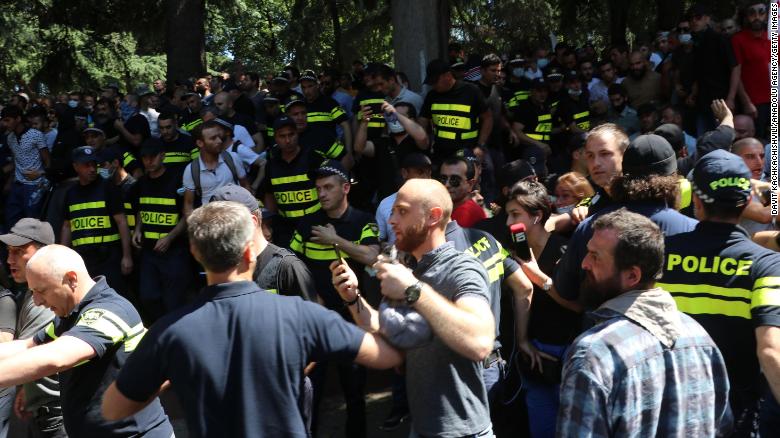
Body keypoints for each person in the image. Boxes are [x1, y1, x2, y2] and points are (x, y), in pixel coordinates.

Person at [102, 201, 402, 437]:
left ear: (195, 252)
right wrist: (353, 299)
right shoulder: (301, 315)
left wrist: (171, 370)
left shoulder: (170, 332)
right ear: (249, 252)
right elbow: (387, 355)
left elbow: (113, 408)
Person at [330, 178, 495, 437]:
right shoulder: (411, 271)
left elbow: (480, 342)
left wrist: (413, 291)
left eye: (402, 211)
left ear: (433, 216)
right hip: (422, 428)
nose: (392, 220)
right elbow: (385, 329)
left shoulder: (462, 268)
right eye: (393, 211)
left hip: (464, 432)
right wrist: (353, 298)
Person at [557, 208, 732, 436]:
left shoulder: (593, 352)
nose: (584, 264)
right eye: (588, 252)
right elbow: (723, 427)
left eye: (595, 256)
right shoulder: (700, 337)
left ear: (632, 276)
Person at [657, 149, 780, 436]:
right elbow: (771, 351)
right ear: (747, 200)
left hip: (669, 406)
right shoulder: (766, 264)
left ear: (697, 202)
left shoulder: (659, 254)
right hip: (737, 414)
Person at [0, 244, 173, 436]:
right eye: (32, 292)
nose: (38, 301)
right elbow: (28, 346)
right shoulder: (68, 316)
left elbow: (57, 356)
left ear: (71, 279)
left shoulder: (110, 311)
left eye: (42, 290)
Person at [288, 159, 379, 437]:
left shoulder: (363, 220)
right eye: (318, 188)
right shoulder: (307, 223)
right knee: (309, 391)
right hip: (314, 320)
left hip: (352, 320)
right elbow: (289, 265)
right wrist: (312, 296)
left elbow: (372, 257)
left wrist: (335, 240)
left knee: (354, 392)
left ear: (346, 188)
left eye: (328, 187)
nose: (321, 194)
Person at [555, 133, 698, 303]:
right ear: (674, 177)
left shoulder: (591, 226)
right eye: (590, 155)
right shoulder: (694, 231)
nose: (596, 162)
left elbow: (566, 290)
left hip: (604, 326)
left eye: (605, 153)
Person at [505, 181, 581, 438]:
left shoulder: (564, 249)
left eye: (515, 215)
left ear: (537, 216)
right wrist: (523, 341)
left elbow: (579, 305)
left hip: (565, 352)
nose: (508, 222)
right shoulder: (515, 249)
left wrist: (540, 279)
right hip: (533, 353)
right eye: (508, 213)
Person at [261, 115, 345, 245]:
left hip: (315, 224)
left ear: (297, 134)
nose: (288, 140)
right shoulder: (271, 165)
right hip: (285, 228)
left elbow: (330, 188)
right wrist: (270, 224)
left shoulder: (314, 158)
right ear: (275, 138)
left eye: (291, 134)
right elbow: (269, 195)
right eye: (282, 136)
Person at [132, 140, 191, 321]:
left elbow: (187, 215)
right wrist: (138, 230)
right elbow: (142, 208)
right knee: (147, 297)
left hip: (174, 251)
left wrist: (169, 238)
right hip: (149, 251)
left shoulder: (176, 181)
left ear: (163, 156)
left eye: (153, 157)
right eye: (145, 158)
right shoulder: (141, 183)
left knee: (174, 301)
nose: (149, 161)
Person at [61, 146, 133, 293]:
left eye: (94, 164)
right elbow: (67, 227)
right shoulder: (70, 193)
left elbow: (121, 221)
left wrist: (127, 256)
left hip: (108, 258)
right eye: (86, 165)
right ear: (75, 166)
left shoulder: (108, 188)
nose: (92, 169)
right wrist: (63, 258)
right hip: (83, 259)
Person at [418, 59, 492, 163]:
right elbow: (423, 120)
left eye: (435, 82)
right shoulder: (431, 96)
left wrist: (480, 146)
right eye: (431, 83)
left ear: (448, 76)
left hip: (468, 155)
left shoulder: (471, 91)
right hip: (440, 156)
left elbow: (488, 118)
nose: (433, 85)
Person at [354, 101, 428, 200]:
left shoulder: (416, 142)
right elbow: (359, 148)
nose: (394, 118)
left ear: (412, 120)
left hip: (415, 198)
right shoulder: (383, 142)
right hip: (386, 200)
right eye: (390, 114)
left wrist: (396, 114)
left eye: (401, 116)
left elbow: (422, 137)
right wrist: (364, 122)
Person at [182, 120, 248, 214]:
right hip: (210, 222)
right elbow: (188, 204)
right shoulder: (191, 169)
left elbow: (245, 186)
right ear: (200, 143)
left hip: (237, 217)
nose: (219, 141)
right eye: (213, 138)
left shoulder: (232, 158)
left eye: (219, 137)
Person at [1, 105, 50, 228]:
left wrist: (41, 174)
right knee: (11, 220)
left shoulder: (36, 135)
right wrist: (8, 180)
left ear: (18, 119)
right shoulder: (10, 138)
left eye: (7, 120)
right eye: (3, 120)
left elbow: (48, 161)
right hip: (17, 184)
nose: (4, 123)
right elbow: (15, 161)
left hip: (34, 185)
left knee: (31, 222)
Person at [731, 2, 770, 138]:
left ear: (767, 15)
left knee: (774, 142)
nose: (757, 16)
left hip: (775, 100)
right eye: (752, 13)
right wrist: (746, 101)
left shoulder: (775, 38)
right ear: (746, 16)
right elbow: (737, 72)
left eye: (761, 12)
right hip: (754, 103)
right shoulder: (738, 39)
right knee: (755, 141)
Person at [376, 153, 433, 245]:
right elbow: (379, 240)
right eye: (420, 172)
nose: (426, 177)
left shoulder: (437, 201)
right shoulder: (386, 204)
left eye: (429, 172)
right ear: (404, 173)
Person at [440, 156, 486, 228]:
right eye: (443, 179)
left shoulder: (468, 212)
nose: (447, 184)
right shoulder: (449, 207)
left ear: (470, 184)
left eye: (454, 180)